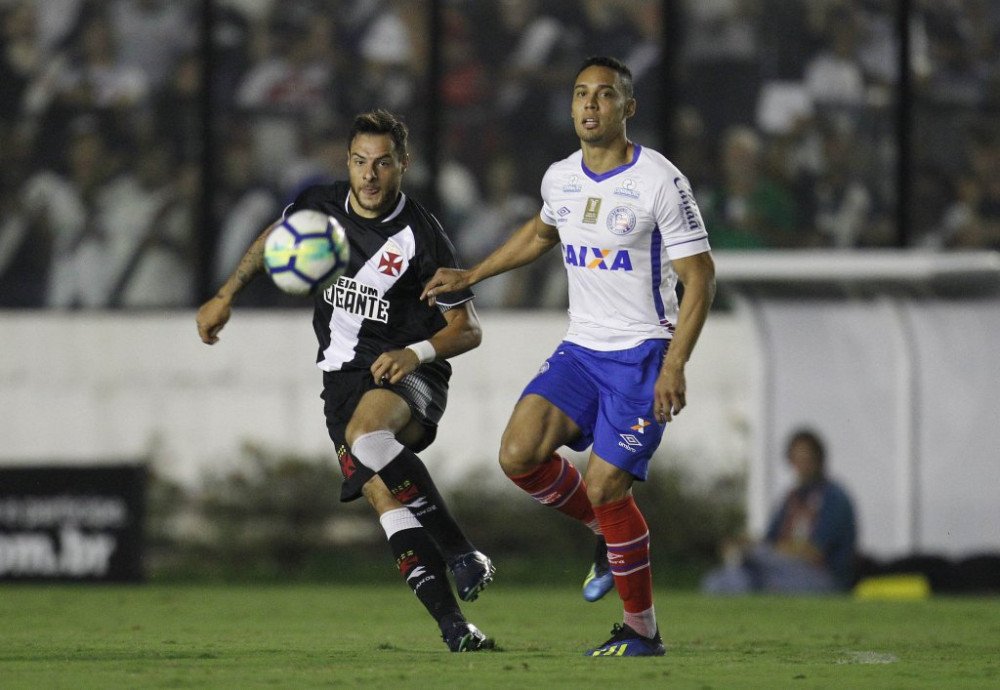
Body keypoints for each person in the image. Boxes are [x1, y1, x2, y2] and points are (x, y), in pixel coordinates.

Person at [422, 56, 717, 657]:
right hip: (581, 349)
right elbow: (539, 233)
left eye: (604, 96)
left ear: (627, 109)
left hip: (642, 354)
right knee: (518, 454)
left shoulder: (660, 180)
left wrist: (675, 364)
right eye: (581, 94)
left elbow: (700, 277)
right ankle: (605, 535)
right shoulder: (561, 177)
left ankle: (642, 632)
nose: (589, 105)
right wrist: (472, 273)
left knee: (607, 487)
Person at [196, 110, 495, 653]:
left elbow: (467, 329)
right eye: (360, 162)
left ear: (403, 165)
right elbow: (271, 238)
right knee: (384, 499)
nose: (370, 175)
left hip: (411, 369)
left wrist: (415, 351)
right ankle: (455, 627)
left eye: (383, 164)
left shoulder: (422, 236)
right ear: (348, 163)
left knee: (369, 438)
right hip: (340, 380)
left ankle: (461, 551)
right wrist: (225, 295)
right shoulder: (320, 208)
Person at [701, 428, 858, 595]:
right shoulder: (792, 498)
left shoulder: (834, 498)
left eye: (807, 459)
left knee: (756, 560)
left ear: (819, 460)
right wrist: (744, 545)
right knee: (720, 579)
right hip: (783, 571)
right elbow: (769, 541)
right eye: (797, 459)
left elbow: (814, 553)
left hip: (823, 577)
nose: (802, 465)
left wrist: (760, 551)